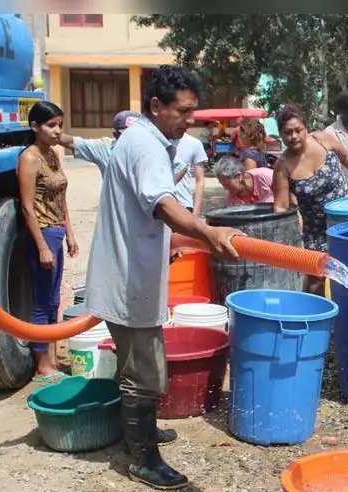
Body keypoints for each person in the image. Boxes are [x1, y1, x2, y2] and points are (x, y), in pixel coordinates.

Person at [84, 65, 245, 491]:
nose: (190, 120)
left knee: (140, 366)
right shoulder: (146, 146)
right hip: (127, 280)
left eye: (193, 111)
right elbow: (163, 205)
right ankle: (143, 459)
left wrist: (198, 239)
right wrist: (207, 231)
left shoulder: (142, 139)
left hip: (130, 273)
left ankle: (142, 433)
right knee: (145, 372)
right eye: (183, 111)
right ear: (156, 106)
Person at [272, 103, 348, 294]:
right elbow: (280, 206)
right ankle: (319, 313)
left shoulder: (321, 139)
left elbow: (346, 157)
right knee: (317, 283)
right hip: (317, 233)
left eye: (298, 130)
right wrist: (285, 237)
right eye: (287, 132)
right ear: (280, 134)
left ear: (306, 127)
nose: (294, 136)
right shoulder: (282, 166)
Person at [18, 101, 78, 383]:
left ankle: (52, 360)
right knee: (42, 301)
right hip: (42, 233)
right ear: (35, 127)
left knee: (54, 300)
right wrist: (42, 246)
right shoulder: (30, 158)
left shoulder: (53, 154)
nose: (57, 131)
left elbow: (60, 198)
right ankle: (42, 364)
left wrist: (70, 233)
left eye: (60, 126)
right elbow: (27, 206)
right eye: (51, 125)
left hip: (56, 232)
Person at [58, 111, 208, 215]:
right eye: (126, 135)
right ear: (115, 134)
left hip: (147, 212)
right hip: (119, 213)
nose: (132, 140)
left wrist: (161, 186)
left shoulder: (151, 146)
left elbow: (180, 167)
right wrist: (52, 131)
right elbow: (71, 142)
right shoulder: (105, 148)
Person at [173, 131, 209, 215]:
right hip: (159, 204)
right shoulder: (155, 141)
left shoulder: (194, 143)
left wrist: (196, 210)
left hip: (184, 204)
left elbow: (200, 180)